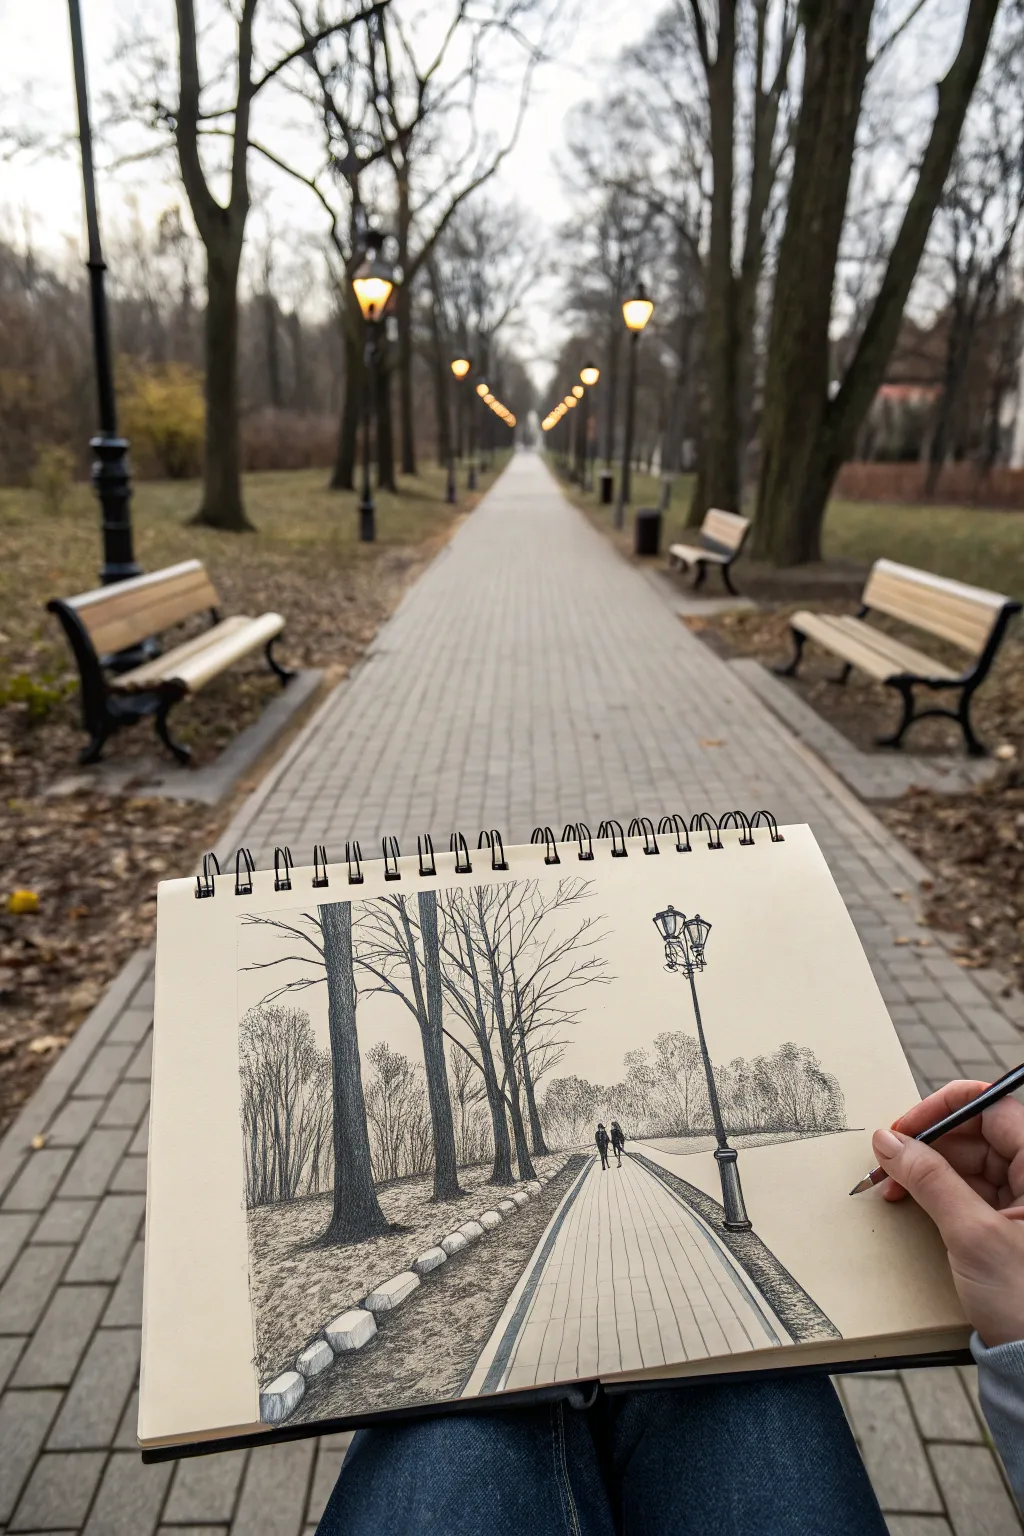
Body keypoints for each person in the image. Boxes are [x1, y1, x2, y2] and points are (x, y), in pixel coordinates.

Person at [317, 1078, 1024, 1534]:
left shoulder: (613, 1129)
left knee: (451, 1429)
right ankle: (587, 1381)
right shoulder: (602, 1130)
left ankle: (569, 1384)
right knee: (737, 1378)